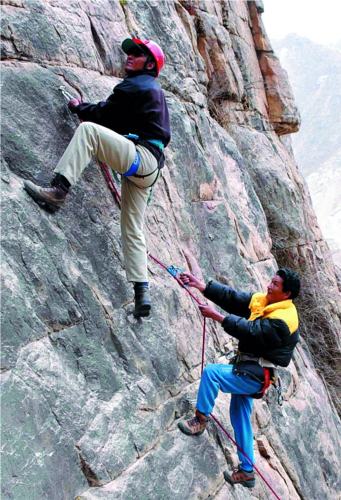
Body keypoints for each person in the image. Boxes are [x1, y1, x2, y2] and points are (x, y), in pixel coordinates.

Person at [24, 37, 171, 318]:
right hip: (148, 169)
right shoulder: (152, 90)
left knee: (89, 132)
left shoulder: (137, 85)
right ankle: (142, 293)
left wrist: (79, 108)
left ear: (150, 64)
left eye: (137, 54)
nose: (129, 56)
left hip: (140, 158)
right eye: (130, 52)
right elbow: (120, 121)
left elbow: (106, 115)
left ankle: (58, 191)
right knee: (133, 227)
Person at [177, 268, 300, 489]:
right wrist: (202, 286)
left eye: (275, 284)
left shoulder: (283, 319)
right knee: (240, 415)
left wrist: (218, 317)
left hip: (255, 373)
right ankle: (246, 471)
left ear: (286, 293)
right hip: (251, 369)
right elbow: (234, 298)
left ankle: (200, 420)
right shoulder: (266, 302)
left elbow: (252, 331)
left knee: (211, 373)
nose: (269, 286)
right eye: (271, 281)